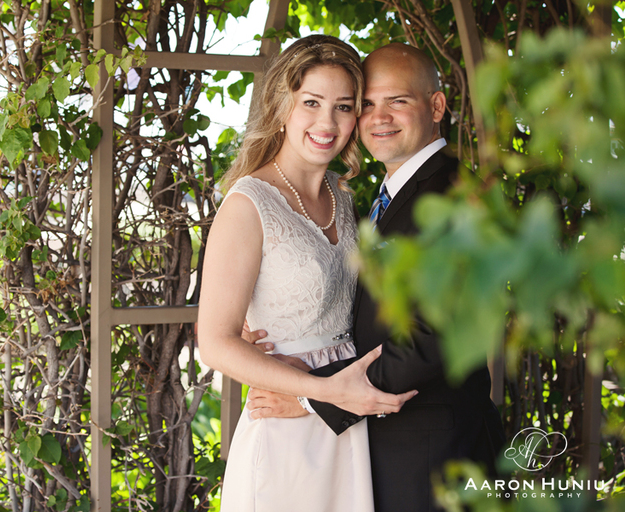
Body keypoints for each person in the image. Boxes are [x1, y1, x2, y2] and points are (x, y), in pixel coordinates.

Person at [245, 43, 505, 512]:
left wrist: (311, 400)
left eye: (397, 101)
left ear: (436, 106)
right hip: (381, 449)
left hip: (432, 455)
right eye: (366, 104)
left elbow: (430, 339)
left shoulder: (455, 196)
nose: (378, 117)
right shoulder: (379, 197)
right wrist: (265, 315)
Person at [197, 35, 417, 512]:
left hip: (348, 425)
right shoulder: (248, 203)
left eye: (343, 107)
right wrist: (320, 393)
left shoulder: (344, 196)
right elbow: (214, 343)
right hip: (286, 429)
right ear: (282, 106)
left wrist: (334, 397)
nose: (327, 123)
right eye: (311, 103)